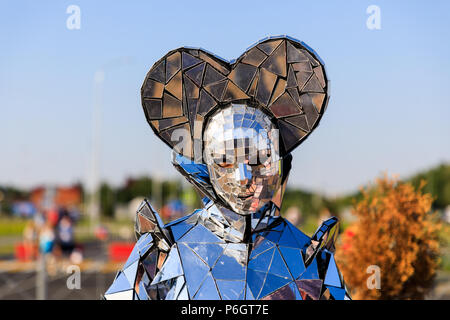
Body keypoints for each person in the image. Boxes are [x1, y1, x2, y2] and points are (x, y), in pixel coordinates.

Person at [105, 36, 350, 300]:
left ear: (277, 163)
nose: (243, 177)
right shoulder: (164, 250)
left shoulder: (310, 257)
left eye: (258, 160)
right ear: (205, 164)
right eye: (224, 161)